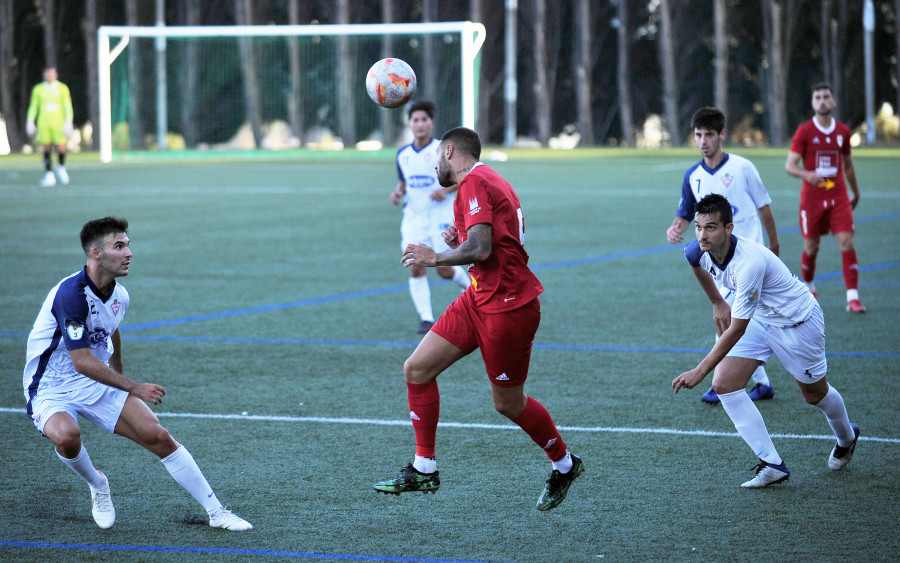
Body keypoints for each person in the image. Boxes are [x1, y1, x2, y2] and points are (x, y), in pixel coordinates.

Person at [374, 127, 584, 511]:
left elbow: (484, 247)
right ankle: (424, 468)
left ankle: (565, 464)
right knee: (417, 369)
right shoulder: (487, 180)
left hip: (508, 309)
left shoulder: (473, 182)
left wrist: (435, 256)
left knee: (508, 403)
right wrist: (462, 241)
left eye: (439, 154)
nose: (436, 163)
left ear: (450, 150)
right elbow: (489, 240)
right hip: (478, 297)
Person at [23, 217, 252, 531]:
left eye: (127, 244)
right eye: (119, 246)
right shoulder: (70, 295)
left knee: (157, 435)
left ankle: (217, 512)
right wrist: (135, 387)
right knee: (66, 436)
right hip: (51, 385)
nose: (129, 252)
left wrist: (120, 382)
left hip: (95, 379)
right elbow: (82, 361)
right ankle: (97, 483)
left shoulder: (120, 296)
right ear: (95, 254)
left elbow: (111, 332)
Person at [672, 194, 860, 488]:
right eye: (698, 227)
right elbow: (694, 263)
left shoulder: (749, 264)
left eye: (711, 228)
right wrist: (717, 302)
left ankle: (847, 436)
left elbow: (736, 330)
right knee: (724, 384)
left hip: (798, 323)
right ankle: (773, 464)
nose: (702, 235)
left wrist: (699, 371)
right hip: (762, 319)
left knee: (813, 394)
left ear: (729, 228)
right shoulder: (697, 251)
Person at [667, 107, 781, 405]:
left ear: (722, 135)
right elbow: (686, 212)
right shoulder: (693, 175)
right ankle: (761, 382)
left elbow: (764, 207)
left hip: (748, 261)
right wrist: (675, 228)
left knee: (729, 321)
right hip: (717, 264)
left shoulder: (743, 167)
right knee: (729, 320)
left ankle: (720, 381)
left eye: (708, 134)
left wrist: (775, 245)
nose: (703, 141)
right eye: (698, 135)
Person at [390, 100, 471, 334]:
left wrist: (444, 190)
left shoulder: (443, 150)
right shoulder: (402, 154)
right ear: (410, 124)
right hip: (413, 218)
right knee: (415, 265)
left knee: (444, 268)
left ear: (431, 123)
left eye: (424, 119)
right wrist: (398, 192)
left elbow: (463, 177)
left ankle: (470, 291)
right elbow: (404, 182)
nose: (420, 124)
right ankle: (426, 319)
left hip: (440, 216)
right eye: (415, 120)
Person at [785, 82, 866, 313]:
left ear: (833, 101)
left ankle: (853, 298)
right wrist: (807, 174)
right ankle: (808, 287)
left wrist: (856, 191)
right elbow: (790, 165)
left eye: (825, 97)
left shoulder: (843, 132)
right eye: (817, 97)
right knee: (811, 246)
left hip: (838, 194)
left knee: (847, 241)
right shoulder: (805, 131)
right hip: (812, 198)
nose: (822, 101)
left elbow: (848, 166)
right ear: (813, 103)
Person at [26, 66, 73, 187]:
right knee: (46, 148)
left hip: (58, 122)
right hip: (44, 123)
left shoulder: (62, 88)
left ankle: (61, 167)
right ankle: (49, 173)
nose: (49, 76)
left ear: (56, 75)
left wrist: (69, 120)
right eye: (47, 74)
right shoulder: (38, 89)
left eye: (51, 74)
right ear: (44, 76)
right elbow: (34, 106)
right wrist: (30, 120)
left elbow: (67, 105)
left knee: (61, 146)